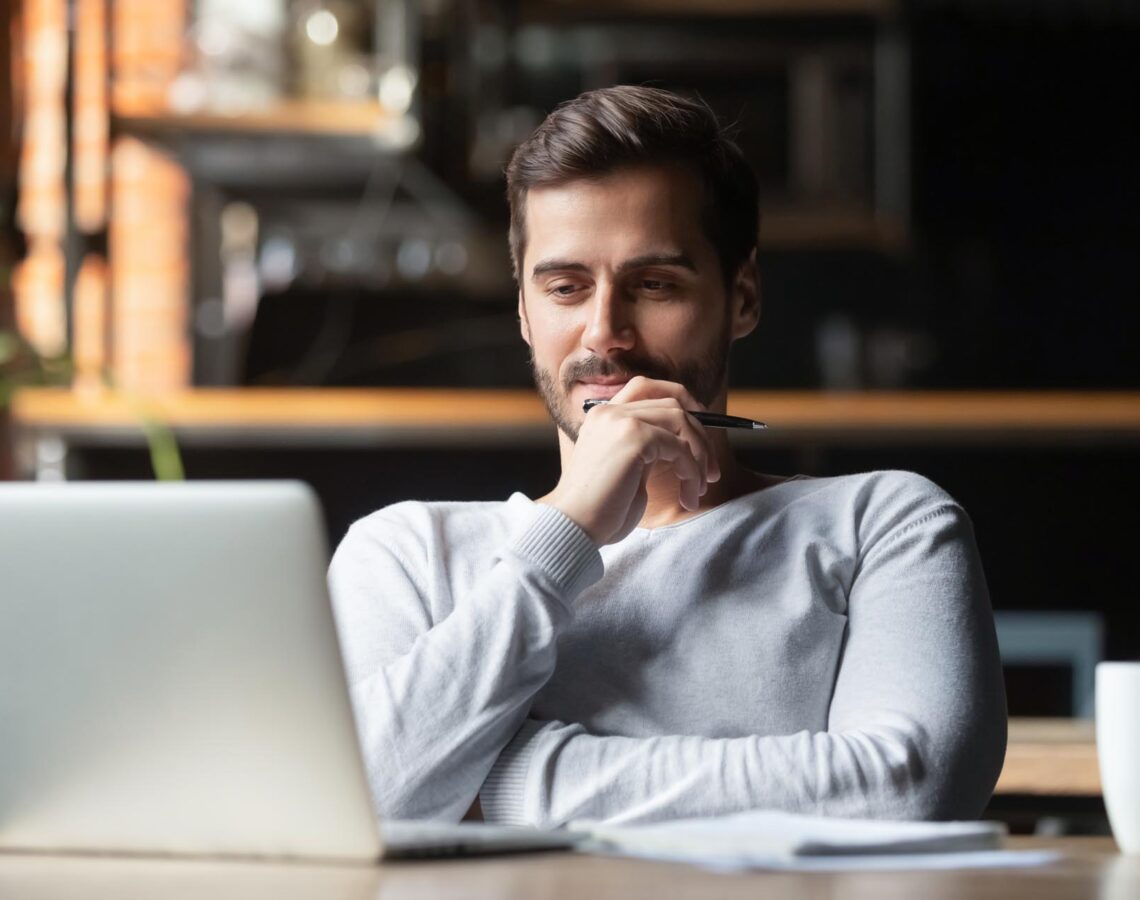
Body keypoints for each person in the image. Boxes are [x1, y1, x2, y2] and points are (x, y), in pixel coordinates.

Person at [328, 85, 1007, 828]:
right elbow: (352, 802)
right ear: (523, 309)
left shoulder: (886, 523)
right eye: (565, 287)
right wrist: (567, 532)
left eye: (654, 285)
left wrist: (498, 783)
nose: (604, 332)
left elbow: (910, 789)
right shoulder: (406, 553)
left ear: (742, 297)